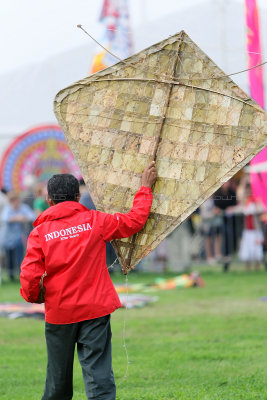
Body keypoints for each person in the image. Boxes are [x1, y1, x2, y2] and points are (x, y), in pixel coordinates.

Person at [20, 161, 157, 400]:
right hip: (95, 310)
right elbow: (135, 221)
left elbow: (30, 275)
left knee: (57, 381)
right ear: (78, 196)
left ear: (49, 201)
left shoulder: (40, 233)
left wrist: (34, 296)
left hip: (59, 312)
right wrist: (145, 187)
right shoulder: (96, 221)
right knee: (99, 377)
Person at [2, 192, 36, 280]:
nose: (16, 203)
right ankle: (11, 276)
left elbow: (33, 216)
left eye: (17, 200)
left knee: (20, 258)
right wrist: (17, 218)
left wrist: (23, 218)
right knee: (9, 258)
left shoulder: (24, 208)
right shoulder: (7, 209)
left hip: (19, 238)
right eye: (13, 201)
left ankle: (21, 275)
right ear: (11, 201)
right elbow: (5, 218)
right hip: (7, 238)